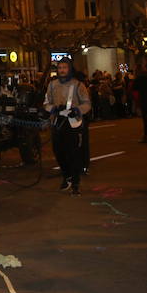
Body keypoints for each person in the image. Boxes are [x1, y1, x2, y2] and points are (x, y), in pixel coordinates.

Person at [44, 57, 91, 195]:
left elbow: (87, 104)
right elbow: (46, 103)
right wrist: (53, 109)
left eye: (64, 68)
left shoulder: (78, 85)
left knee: (74, 154)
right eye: (60, 68)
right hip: (57, 123)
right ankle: (67, 175)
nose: (62, 70)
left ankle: (75, 182)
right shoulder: (52, 85)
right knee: (58, 152)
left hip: (72, 124)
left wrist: (76, 110)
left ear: (69, 69)